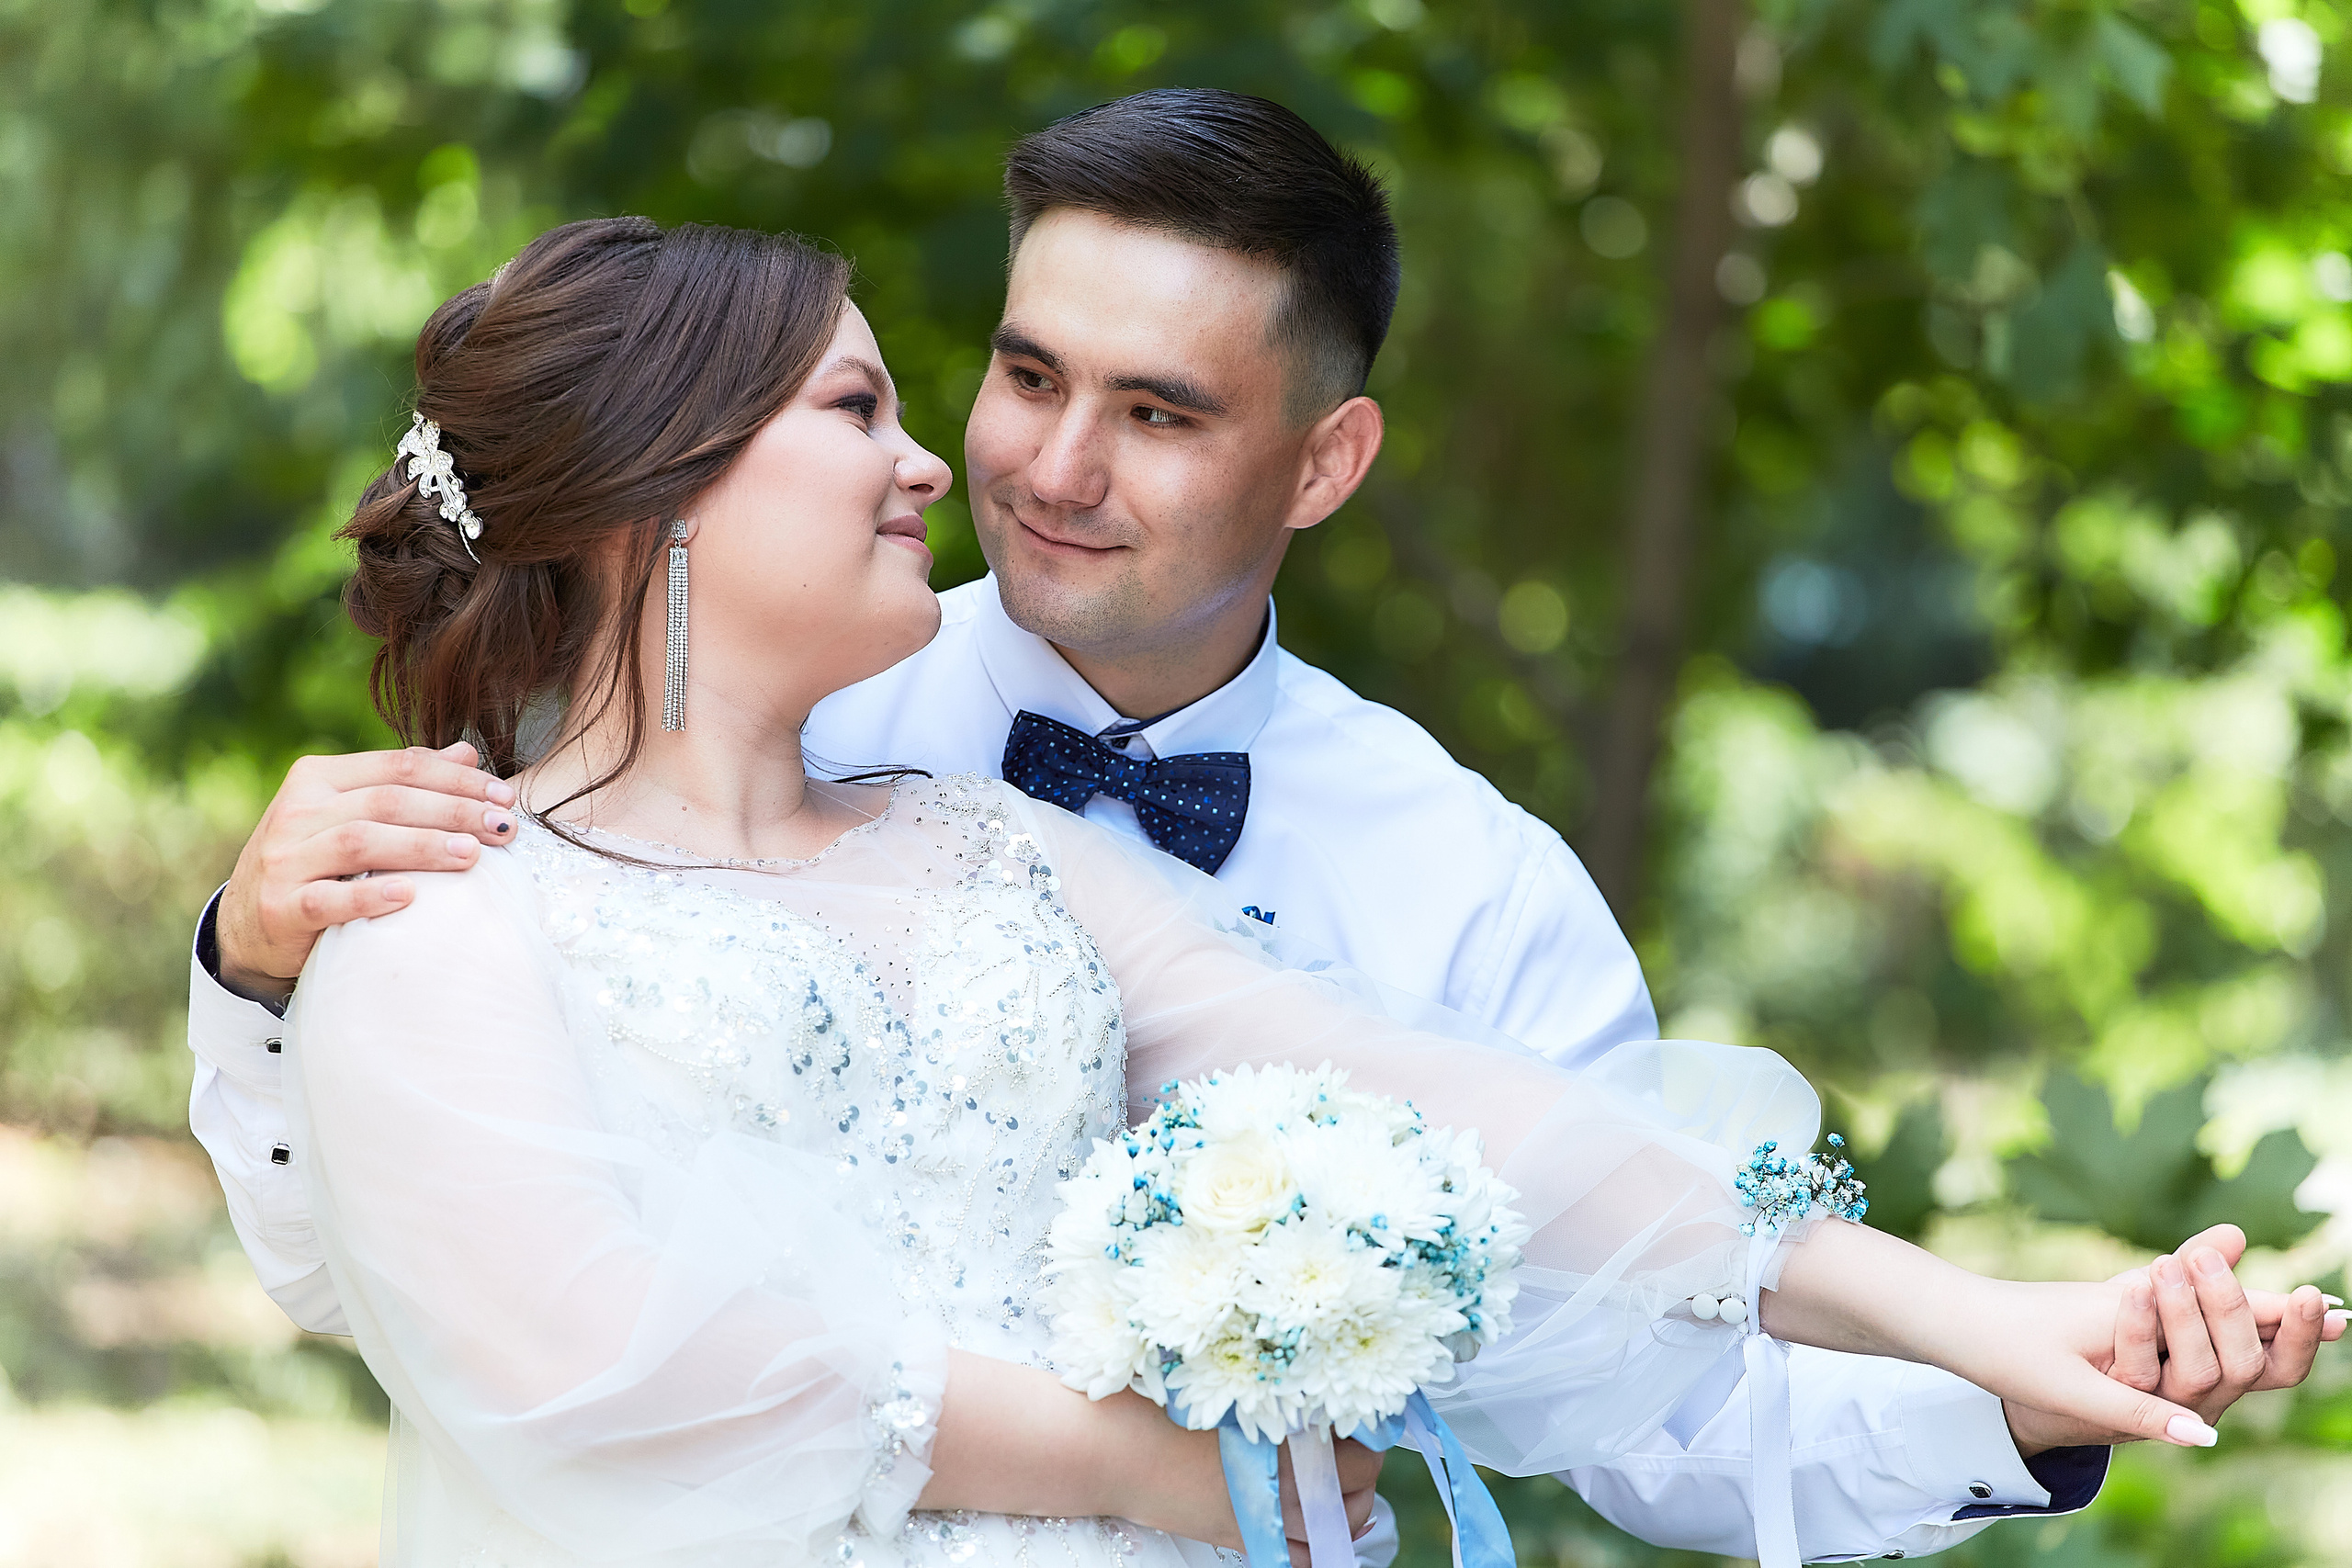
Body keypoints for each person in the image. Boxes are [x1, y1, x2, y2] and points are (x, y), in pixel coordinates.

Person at [186, 95, 2338, 1565]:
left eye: (1158, 410)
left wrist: (1997, 1333)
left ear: (1323, 462)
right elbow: (483, 1313)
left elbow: (1540, 1186)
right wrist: (249, 973)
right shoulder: (443, 889)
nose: (993, 464)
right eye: (993, 379)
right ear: (657, 491)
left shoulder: (1112, 854)